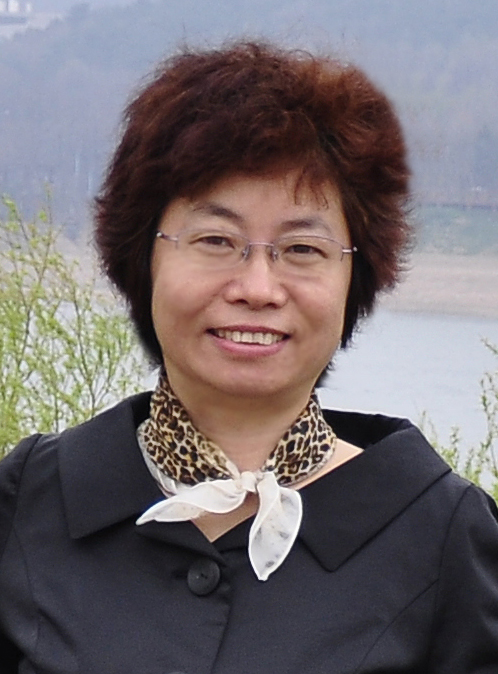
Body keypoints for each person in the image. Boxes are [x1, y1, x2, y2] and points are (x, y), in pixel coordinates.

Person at [0, 40, 497, 674]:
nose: (258, 288)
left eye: (302, 249)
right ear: (144, 260)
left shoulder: (439, 533)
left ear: (355, 280)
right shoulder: (31, 500)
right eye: (216, 239)